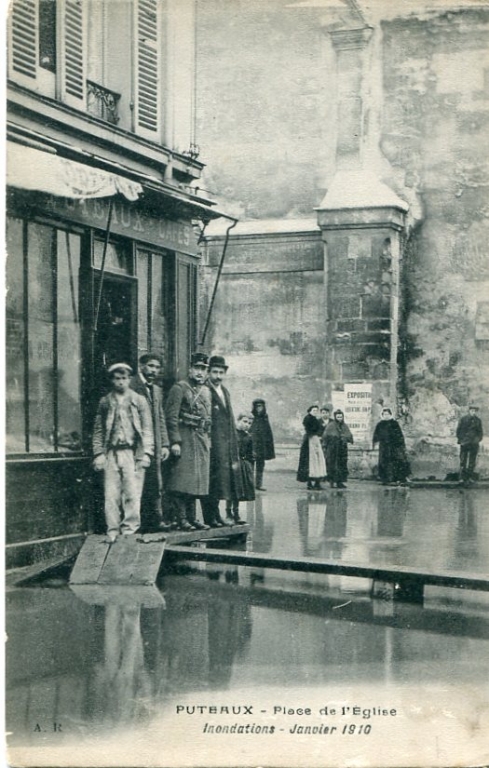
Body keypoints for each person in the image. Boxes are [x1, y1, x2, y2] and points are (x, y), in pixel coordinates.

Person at [92, 363, 154, 543]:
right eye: (117, 378)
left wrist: (147, 454)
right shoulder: (105, 401)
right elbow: (99, 430)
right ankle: (112, 530)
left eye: (124, 378)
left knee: (132, 493)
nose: (121, 382)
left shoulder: (139, 400)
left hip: (132, 453)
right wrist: (98, 454)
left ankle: (129, 530)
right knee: (111, 495)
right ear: (112, 380)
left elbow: (147, 429)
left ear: (130, 379)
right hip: (111, 453)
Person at [165, 353, 212, 531]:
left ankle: (192, 518)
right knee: (182, 480)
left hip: (200, 439)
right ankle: (181, 518)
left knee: (196, 481)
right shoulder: (180, 388)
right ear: (190, 369)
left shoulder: (206, 391)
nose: (200, 372)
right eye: (197, 368)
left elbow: (208, 418)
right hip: (184, 437)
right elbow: (171, 416)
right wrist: (175, 441)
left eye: (204, 369)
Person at [130, 353, 171, 532]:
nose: (154, 370)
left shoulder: (156, 390)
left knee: (153, 482)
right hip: (135, 444)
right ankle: (133, 522)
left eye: (157, 367)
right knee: (134, 482)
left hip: (153, 443)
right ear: (141, 366)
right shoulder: (131, 385)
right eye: (151, 366)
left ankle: (153, 520)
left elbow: (160, 418)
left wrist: (165, 444)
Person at [201, 355, 242, 527]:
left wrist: (233, 443)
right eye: (215, 372)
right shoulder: (205, 390)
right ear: (208, 372)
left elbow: (230, 419)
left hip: (225, 445)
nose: (218, 376)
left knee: (221, 482)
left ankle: (217, 515)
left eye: (221, 372)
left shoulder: (224, 391)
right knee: (210, 481)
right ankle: (210, 517)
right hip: (212, 444)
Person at [225, 413, 255, 525]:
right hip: (231, 464)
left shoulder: (248, 437)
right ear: (238, 421)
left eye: (249, 423)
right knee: (230, 489)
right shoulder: (232, 434)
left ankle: (236, 513)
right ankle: (228, 512)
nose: (247, 425)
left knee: (239, 490)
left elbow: (250, 454)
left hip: (242, 465)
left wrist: (249, 466)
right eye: (245, 421)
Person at [372, 407, 411, 485]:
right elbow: (376, 435)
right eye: (384, 414)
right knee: (384, 462)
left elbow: (399, 435)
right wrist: (375, 442)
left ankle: (397, 478)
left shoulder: (394, 424)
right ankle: (386, 479)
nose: (386, 416)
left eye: (387, 414)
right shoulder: (380, 424)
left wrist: (399, 444)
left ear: (390, 415)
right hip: (384, 447)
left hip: (394, 446)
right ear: (382, 415)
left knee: (395, 461)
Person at [296, 405, 327, 490]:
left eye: (316, 410)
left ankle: (317, 482)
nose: (315, 412)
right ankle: (309, 483)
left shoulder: (316, 420)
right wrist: (318, 430)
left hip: (315, 440)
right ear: (309, 411)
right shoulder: (307, 419)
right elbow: (310, 429)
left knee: (317, 460)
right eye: (314, 410)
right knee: (310, 461)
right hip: (309, 441)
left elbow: (320, 429)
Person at [322, 409, 353, 489]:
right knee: (332, 464)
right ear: (335, 417)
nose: (339, 418)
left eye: (341, 417)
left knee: (341, 465)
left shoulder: (344, 426)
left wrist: (346, 438)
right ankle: (332, 482)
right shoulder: (331, 425)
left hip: (342, 448)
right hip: (333, 448)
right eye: (338, 417)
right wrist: (325, 446)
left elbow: (349, 435)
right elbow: (325, 436)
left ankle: (340, 482)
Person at [250, 398, 275, 491]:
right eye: (257, 406)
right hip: (252, 445)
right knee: (251, 465)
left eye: (261, 406)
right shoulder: (251, 417)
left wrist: (267, 446)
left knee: (260, 465)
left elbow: (268, 432)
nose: (259, 409)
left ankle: (258, 484)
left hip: (262, 446)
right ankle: (250, 484)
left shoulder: (265, 417)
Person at [456, 405, 483, 484]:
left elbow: (480, 432)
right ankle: (461, 478)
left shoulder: (478, 420)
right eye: (472, 410)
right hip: (465, 442)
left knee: (472, 461)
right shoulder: (463, 419)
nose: (473, 412)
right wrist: (461, 440)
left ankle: (469, 477)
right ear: (469, 411)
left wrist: (478, 439)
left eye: (475, 411)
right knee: (463, 460)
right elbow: (459, 430)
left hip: (474, 443)